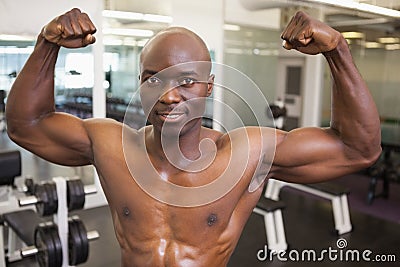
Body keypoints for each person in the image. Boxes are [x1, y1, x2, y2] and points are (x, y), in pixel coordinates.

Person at [6, 8, 381, 267]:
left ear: (209, 86)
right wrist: (46, 43)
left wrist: (338, 51)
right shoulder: (110, 145)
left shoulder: (245, 154)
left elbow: (357, 149)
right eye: (154, 79)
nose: (169, 96)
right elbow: (27, 124)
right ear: (140, 84)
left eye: (186, 81)